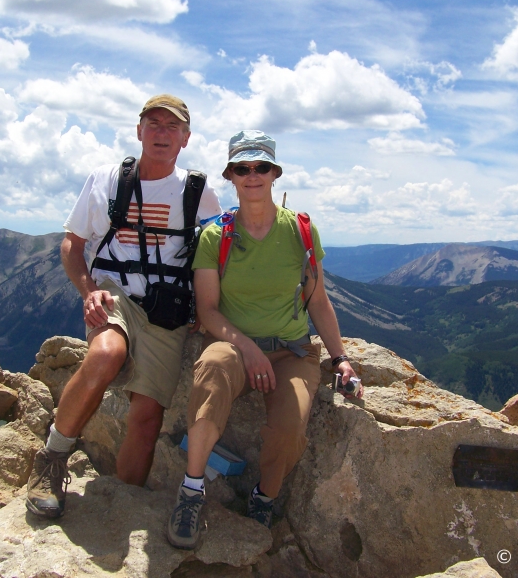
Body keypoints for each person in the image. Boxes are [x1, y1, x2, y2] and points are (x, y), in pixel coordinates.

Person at [26, 94, 222, 519]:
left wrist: (207, 310)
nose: (162, 133)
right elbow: (72, 245)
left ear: (186, 138)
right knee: (106, 353)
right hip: (114, 294)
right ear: (138, 131)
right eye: (153, 124)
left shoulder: (198, 191)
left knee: (147, 417)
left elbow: (215, 256)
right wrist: (88, 290)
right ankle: (52, 460)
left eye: (172, 127)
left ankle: (123, 504)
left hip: (168, 309)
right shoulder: (106, 180)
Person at [166, 130, 362, 549]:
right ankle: (191, 489)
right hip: (234, 343)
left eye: (260, 167)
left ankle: (264, 497)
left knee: (290, 427)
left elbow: (317, 300)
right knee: (212, 373)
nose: (252, 175)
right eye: (243, 168)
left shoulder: (301, 232)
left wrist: (340, 358)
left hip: (292, 349)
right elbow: (208, 311)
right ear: (231, 176)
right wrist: (250, 349)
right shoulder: (216, 236)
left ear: (274, 173)